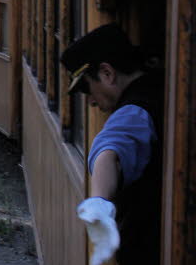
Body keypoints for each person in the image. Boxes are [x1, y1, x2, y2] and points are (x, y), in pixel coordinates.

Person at [61, 23, 163, 265]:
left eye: (87, 88)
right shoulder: (162, 86)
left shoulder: (134, 109)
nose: (91, 102)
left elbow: (109, 151)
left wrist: (98, 203)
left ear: (107, 73)